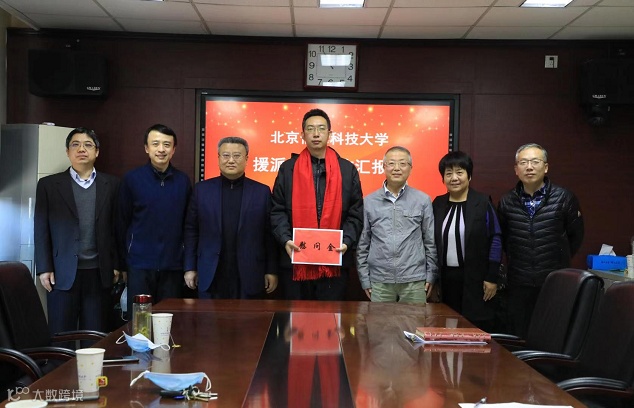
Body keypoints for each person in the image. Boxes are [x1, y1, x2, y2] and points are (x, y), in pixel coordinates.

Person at [35, 127, 120, 344]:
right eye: (75, 145)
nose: (82, 149)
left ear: (97, 152)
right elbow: (41, 228)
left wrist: (117, 264)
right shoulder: (48, 185)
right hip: (61, 274)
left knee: (95, 340)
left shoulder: (112, 184)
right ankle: (61, 369)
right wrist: (44, 268)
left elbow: (116, 227)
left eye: (88, 145)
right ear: (67, 152)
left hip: (98, 273)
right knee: (60, 337)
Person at [271, 108, 364, 300]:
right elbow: (277, 210)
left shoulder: (347, 169)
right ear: (302, 134)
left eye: (321, 129)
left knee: (331, 316)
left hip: (335, 260)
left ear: (330, 134)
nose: (316, 134)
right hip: (295, 259)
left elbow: (356, 212)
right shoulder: (288, 169)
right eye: (310, 128)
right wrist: (286, 239)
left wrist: (346, 241)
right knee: (295, 316)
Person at [498, 143, 584, 337]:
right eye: (523, 162)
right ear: (516, 169)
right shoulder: (506, 201)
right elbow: (504, 239)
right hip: (519, 282)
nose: (529, 167)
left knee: (552, 334)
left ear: (545, 167)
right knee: (519, 335)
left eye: (535, 162)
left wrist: (557, 259)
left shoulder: (564, 198)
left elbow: (575, 237)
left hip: (554, 281)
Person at [183, 137, 278, 298]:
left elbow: (269, 236)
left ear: (246, 159)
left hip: (250, 273)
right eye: (226, 155)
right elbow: (191, 231)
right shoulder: (201, 190)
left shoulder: (262, 192)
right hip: (210, 272)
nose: (231, 160)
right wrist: (190, 267)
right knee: (208, 315)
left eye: (237, 156)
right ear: (218, 158)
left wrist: (271, 270)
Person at [117, 124, 191, 315]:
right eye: (155, 144)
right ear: (146, 148)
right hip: (139, 265)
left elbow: (188, 225)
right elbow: (122, 222)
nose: (161, 149)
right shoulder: (132, 179)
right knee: (140, 321)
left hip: (173, 265)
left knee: (169, 320)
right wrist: (123, 263)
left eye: (167, 144)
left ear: (173, 149)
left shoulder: (183, 181)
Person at [356, 146, 437, 304]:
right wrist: (365, 278)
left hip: (414, 280)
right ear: (383, 166)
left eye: (402, 163)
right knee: (380, 321)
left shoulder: (422, 200)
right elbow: (363, 244)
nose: (397, 168)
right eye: (392, 163)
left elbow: (430, 241)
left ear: (410, 168)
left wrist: (431, 275)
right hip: (380, 281)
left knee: (414, 321)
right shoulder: (369, 202)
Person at [432, 151, 502, 332]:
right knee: (447, 327)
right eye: (448, 173)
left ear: (469, 176)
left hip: (477, 279)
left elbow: (495, 238)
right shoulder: (438, 204)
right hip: (446, 280)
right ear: (443, 178)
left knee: (474, 328)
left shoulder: (482, 202)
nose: (454, 178)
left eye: (459, 172)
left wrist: (492, 277)